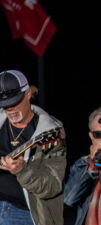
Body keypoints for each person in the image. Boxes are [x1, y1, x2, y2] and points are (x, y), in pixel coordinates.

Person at [0, 70, 66, 225]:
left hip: (25, 212)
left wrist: (23, 171)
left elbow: (53, 186)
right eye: (5, 105)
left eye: (15, 102)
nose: (10, 109)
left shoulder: (50, 132)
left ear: (28, 93)